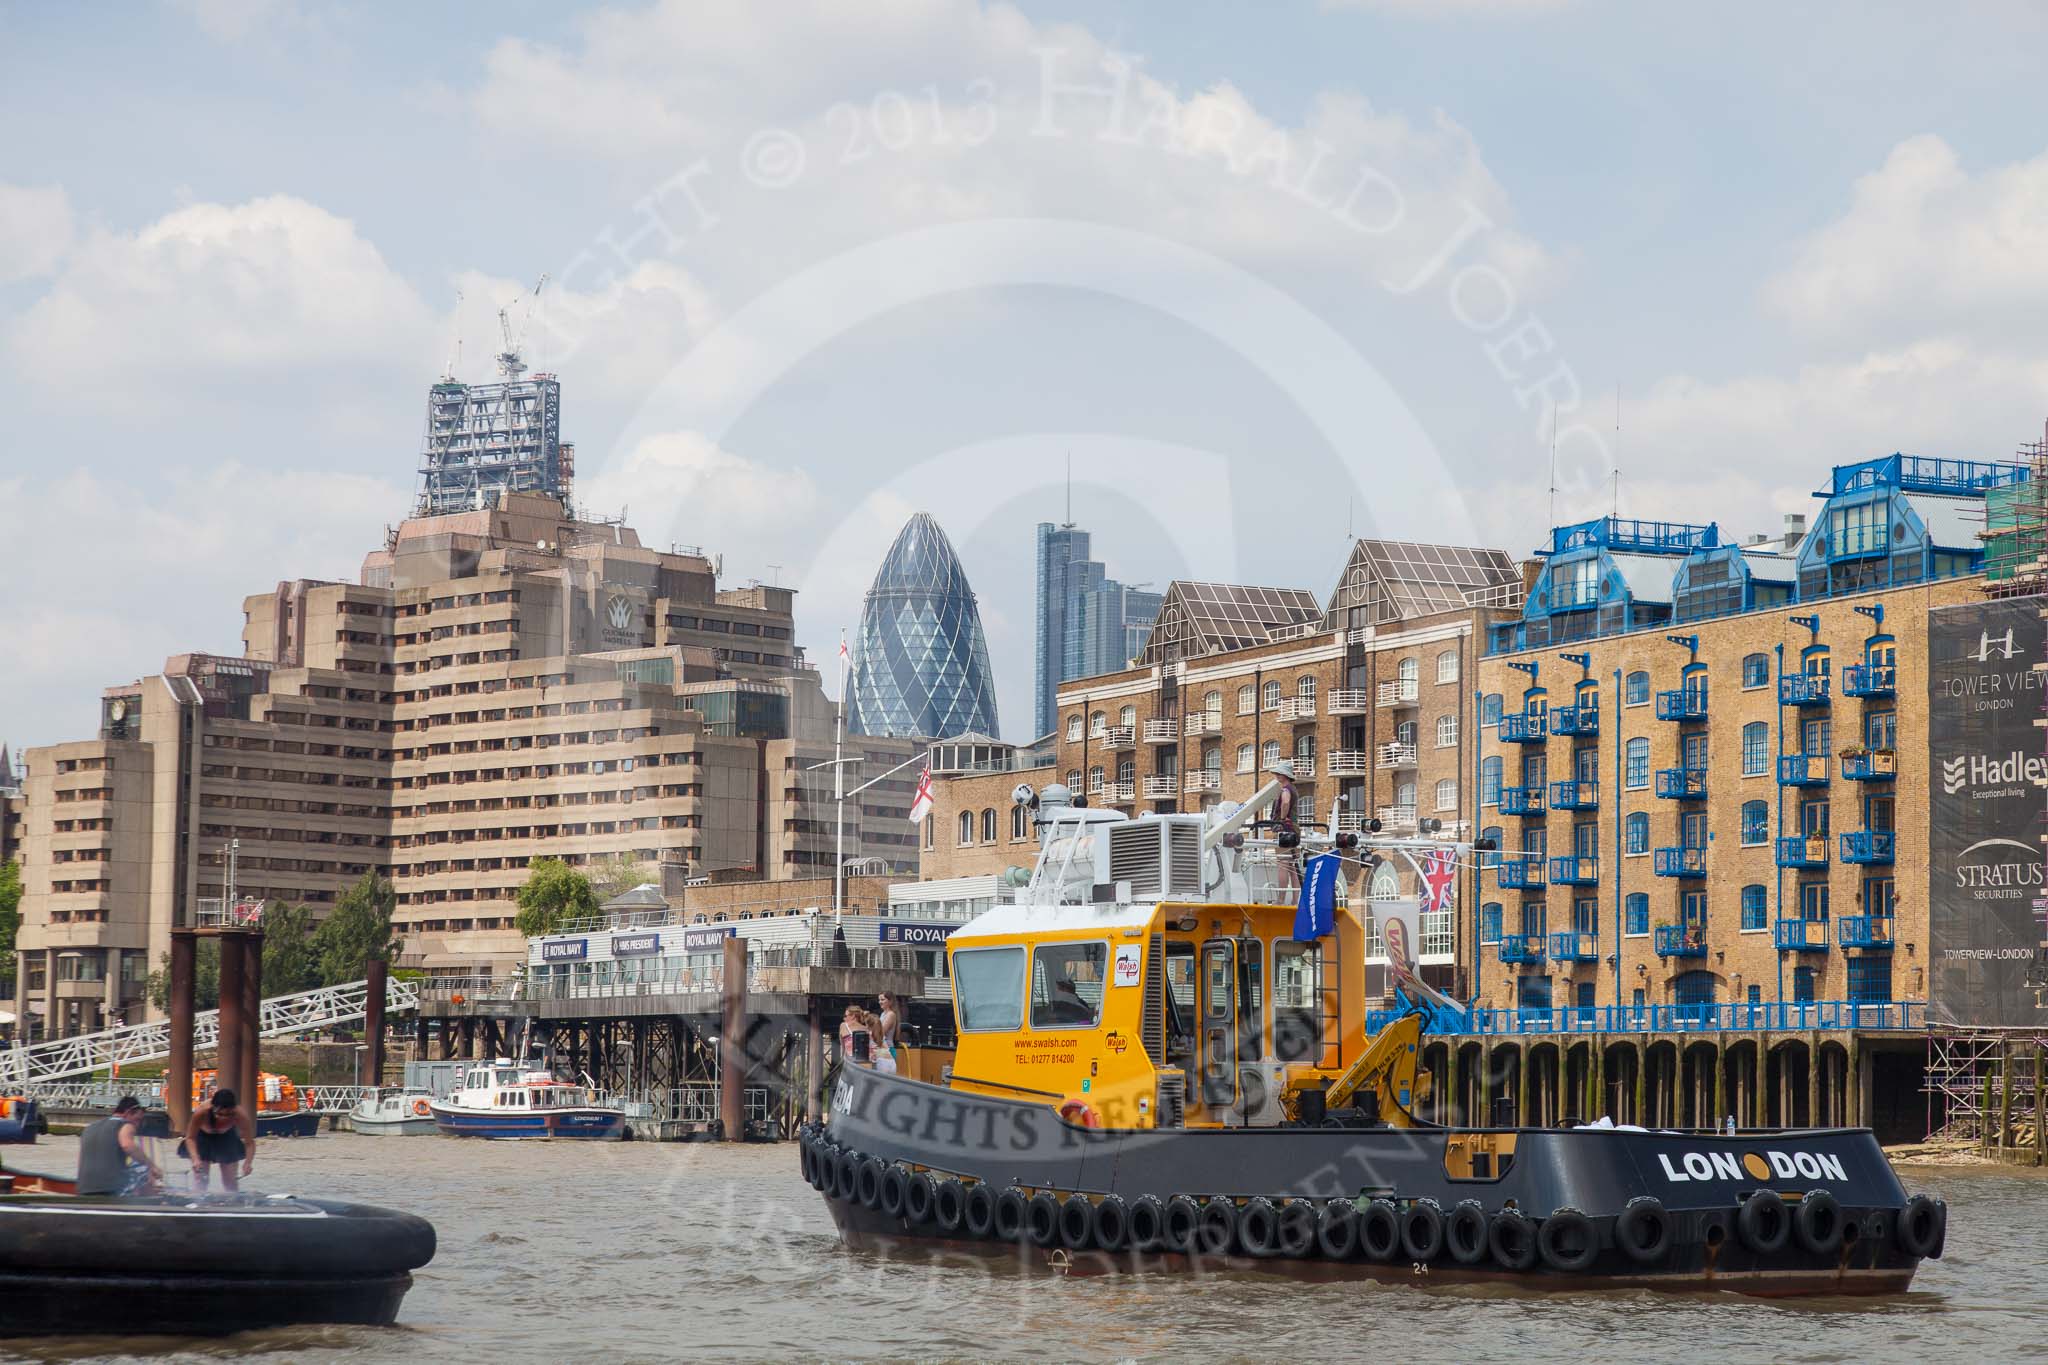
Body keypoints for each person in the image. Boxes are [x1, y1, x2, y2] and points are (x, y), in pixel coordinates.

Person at [76, 1096, 159, 1196]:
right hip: (111, 1189)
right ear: (128, 1112)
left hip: (83, 1188)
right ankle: (149, 1203)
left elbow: (80, 1161)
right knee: (143, 1167)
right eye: (137, 1120)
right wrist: (151, 1165)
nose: (137, 1125)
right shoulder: (125, 1125)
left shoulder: (89, 1128)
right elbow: (127, 1145)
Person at [185, 1088, 256, 1192]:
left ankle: (232, 1203)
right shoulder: (202, 1112)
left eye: (228, 1114)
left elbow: (249, 1143)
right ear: (213, 1108)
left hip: (226, 1137)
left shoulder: (240, 1115)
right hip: (203, 1137)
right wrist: (195, 1158)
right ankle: (199, 1203)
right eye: (219, 1114)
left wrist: (248, 1163)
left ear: (233, 1109)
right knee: (201, 1177)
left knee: (229, 1179)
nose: (223, 1118)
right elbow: (190, 1138)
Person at [1266, 758, 1301, 894]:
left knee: (1283, 864)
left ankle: (1281, 898)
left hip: (1284, 829)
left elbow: (1285, 803)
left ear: (1284, 775)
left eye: (1279, 774)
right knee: (1293, 866)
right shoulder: (1294, 789)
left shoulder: (1285, 790)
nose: (1277, 776)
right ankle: (1294, 900)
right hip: (1294, 828)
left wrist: (1281, 819)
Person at [873, 993, 901, 1074]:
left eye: (882, 1000)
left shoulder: (891, 1014)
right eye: (879, 1000)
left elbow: (881, 1032)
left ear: (890, 1001)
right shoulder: (883, 1014)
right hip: (881, 1049)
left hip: (888, 1049)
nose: (880, 1002)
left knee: (884, 1078)